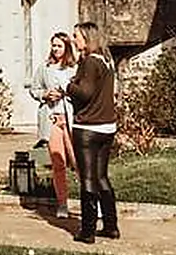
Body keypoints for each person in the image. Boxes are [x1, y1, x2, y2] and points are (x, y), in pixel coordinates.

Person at [57, 21, 120, 243]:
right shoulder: (107, 60)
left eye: (76, 36)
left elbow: (84, 93)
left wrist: (66, 86)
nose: (73, 40)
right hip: (107, 126)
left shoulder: (91, 62)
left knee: (88, 179)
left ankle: (88, 231)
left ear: (86, 37)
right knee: (102, 176)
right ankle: (111, 226)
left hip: (88, 128)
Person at [30, 31, 79, 219]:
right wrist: (45, 94)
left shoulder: (74, 68)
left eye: (59, 45)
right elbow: (34, 88)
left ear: (66, 47)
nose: (55, 49)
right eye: (53, 45)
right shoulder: (45, 68)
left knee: (77, 163)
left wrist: (64, 94)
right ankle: (62, 203)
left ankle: (91, 201)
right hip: (52, 119)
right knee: (58, 163)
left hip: (70, 120)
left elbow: (80, 91)